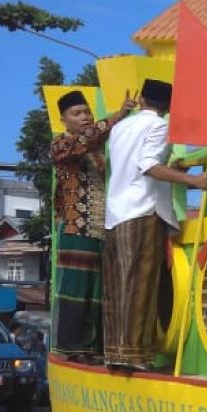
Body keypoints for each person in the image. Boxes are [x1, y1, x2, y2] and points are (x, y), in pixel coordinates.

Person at [103, 79, 207, 371]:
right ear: (169, 106)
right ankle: (135, 355)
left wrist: (174, 169)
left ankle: (115, 352)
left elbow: (133, 166)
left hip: (116, 213)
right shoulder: (159, 126)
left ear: (141, 100)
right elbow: (148, 166)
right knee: (141, 283)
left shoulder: (120, 126)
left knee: (118, 284)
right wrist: (193, 181)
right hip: (142, 211)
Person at [49, 89, 135, 361]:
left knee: (98, 288)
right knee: (77, 286)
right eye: (77, 113)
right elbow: (88, 138)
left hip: (99, 226)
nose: (84, 117)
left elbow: (96, 139)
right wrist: (119, 115)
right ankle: (73, 348)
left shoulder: (96, 150)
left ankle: (94, 348)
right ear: (64, 119)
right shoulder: (62, 145)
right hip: (76, 227)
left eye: (86, 111)